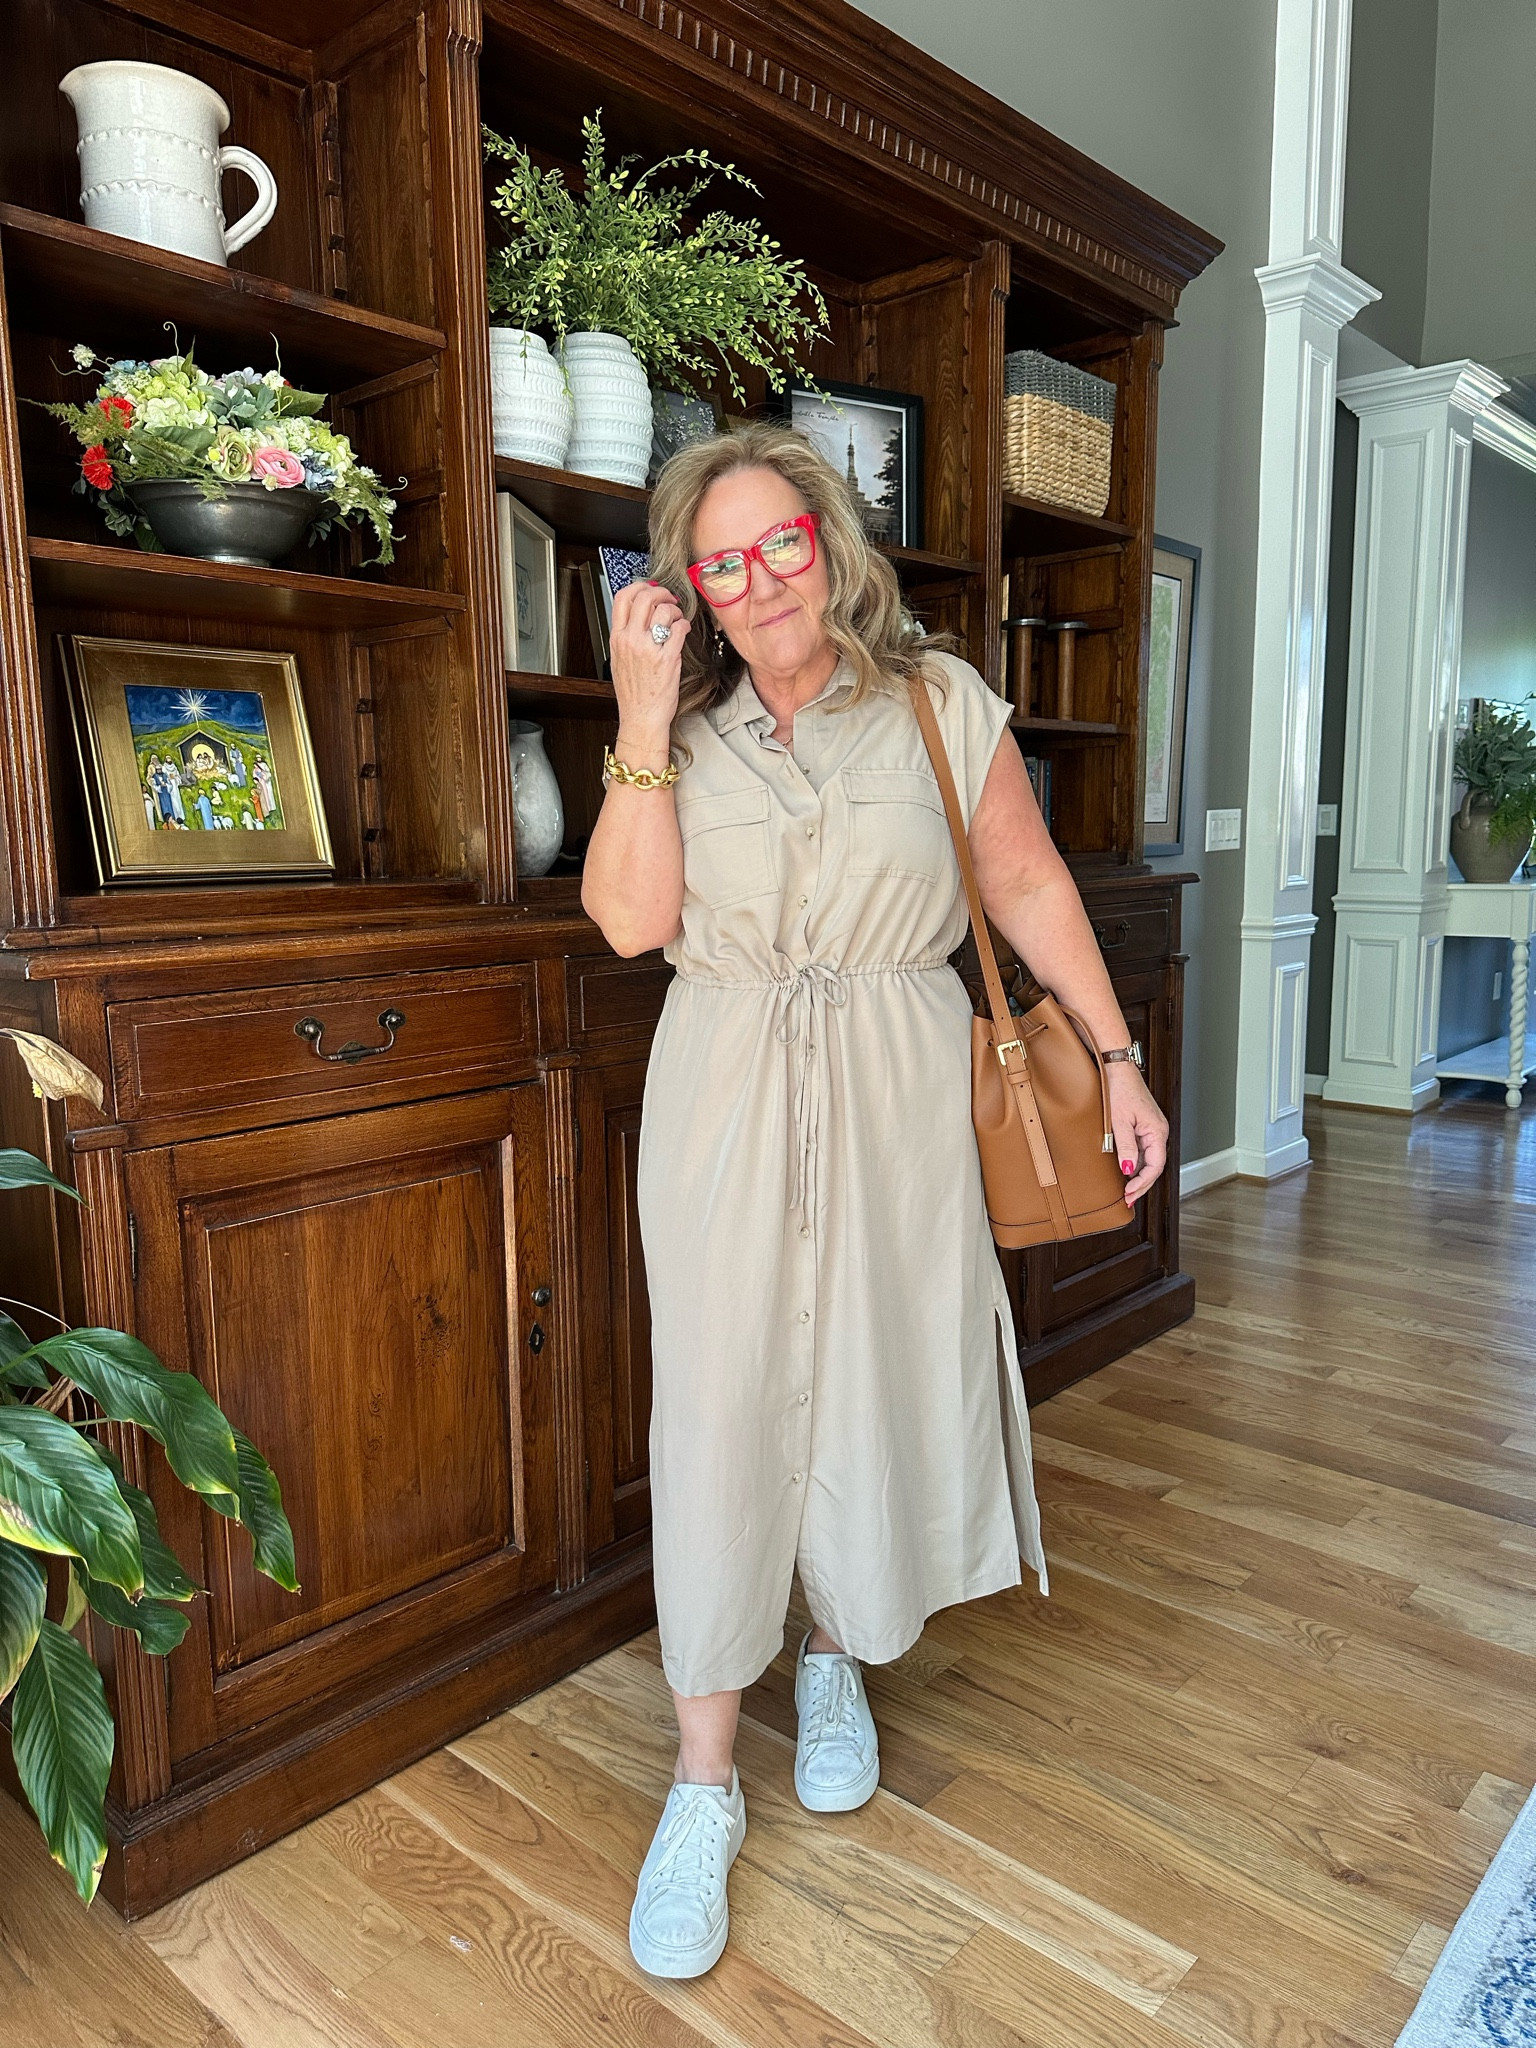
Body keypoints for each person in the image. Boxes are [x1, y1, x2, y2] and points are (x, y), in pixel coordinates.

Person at [581, 422, 1168, 1982]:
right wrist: (640, 711)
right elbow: (631, 922)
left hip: (902, 1086)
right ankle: (704, 1777)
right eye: (722, 560)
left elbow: (1025, 882)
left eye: (782, 542)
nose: (761, 578)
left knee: (872, 1373)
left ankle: (839, 1654)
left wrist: (1117, 1058)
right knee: (717, 1410)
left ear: (829, 544)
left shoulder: (936, 698)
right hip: (724, 1088)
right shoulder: (677, 728)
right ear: (691, 586)